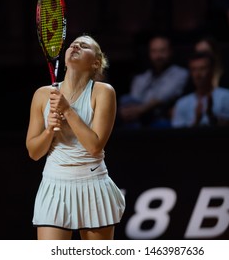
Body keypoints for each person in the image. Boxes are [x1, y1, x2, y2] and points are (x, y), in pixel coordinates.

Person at [26, 35, 125, 240]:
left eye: (84, 45)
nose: (75, 46)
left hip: (93, 183)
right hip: (55, 185)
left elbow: (95, 146)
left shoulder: (103, 92)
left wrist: (68, 111)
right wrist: (48, 131)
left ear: (96, 62)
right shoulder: (43, 95)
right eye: (72, 44)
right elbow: (34, 153)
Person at [118, 34, 189, 128]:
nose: (158, 56)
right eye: (154, 51)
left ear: (170, 52)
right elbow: (134, 97)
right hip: (137, 118)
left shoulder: (180, 73)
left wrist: (140, 110)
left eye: (162, 51)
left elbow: (163, 97)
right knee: (125, 99)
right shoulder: (141, 78)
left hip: (160, 118)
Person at [172, 51, 229, 128]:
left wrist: (211, 116)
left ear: (212, 70)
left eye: (202, 68)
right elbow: (178, 137)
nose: (198, 74)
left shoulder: (227, 96)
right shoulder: (182, 103)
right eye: (194, 69)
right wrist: (197, 120)